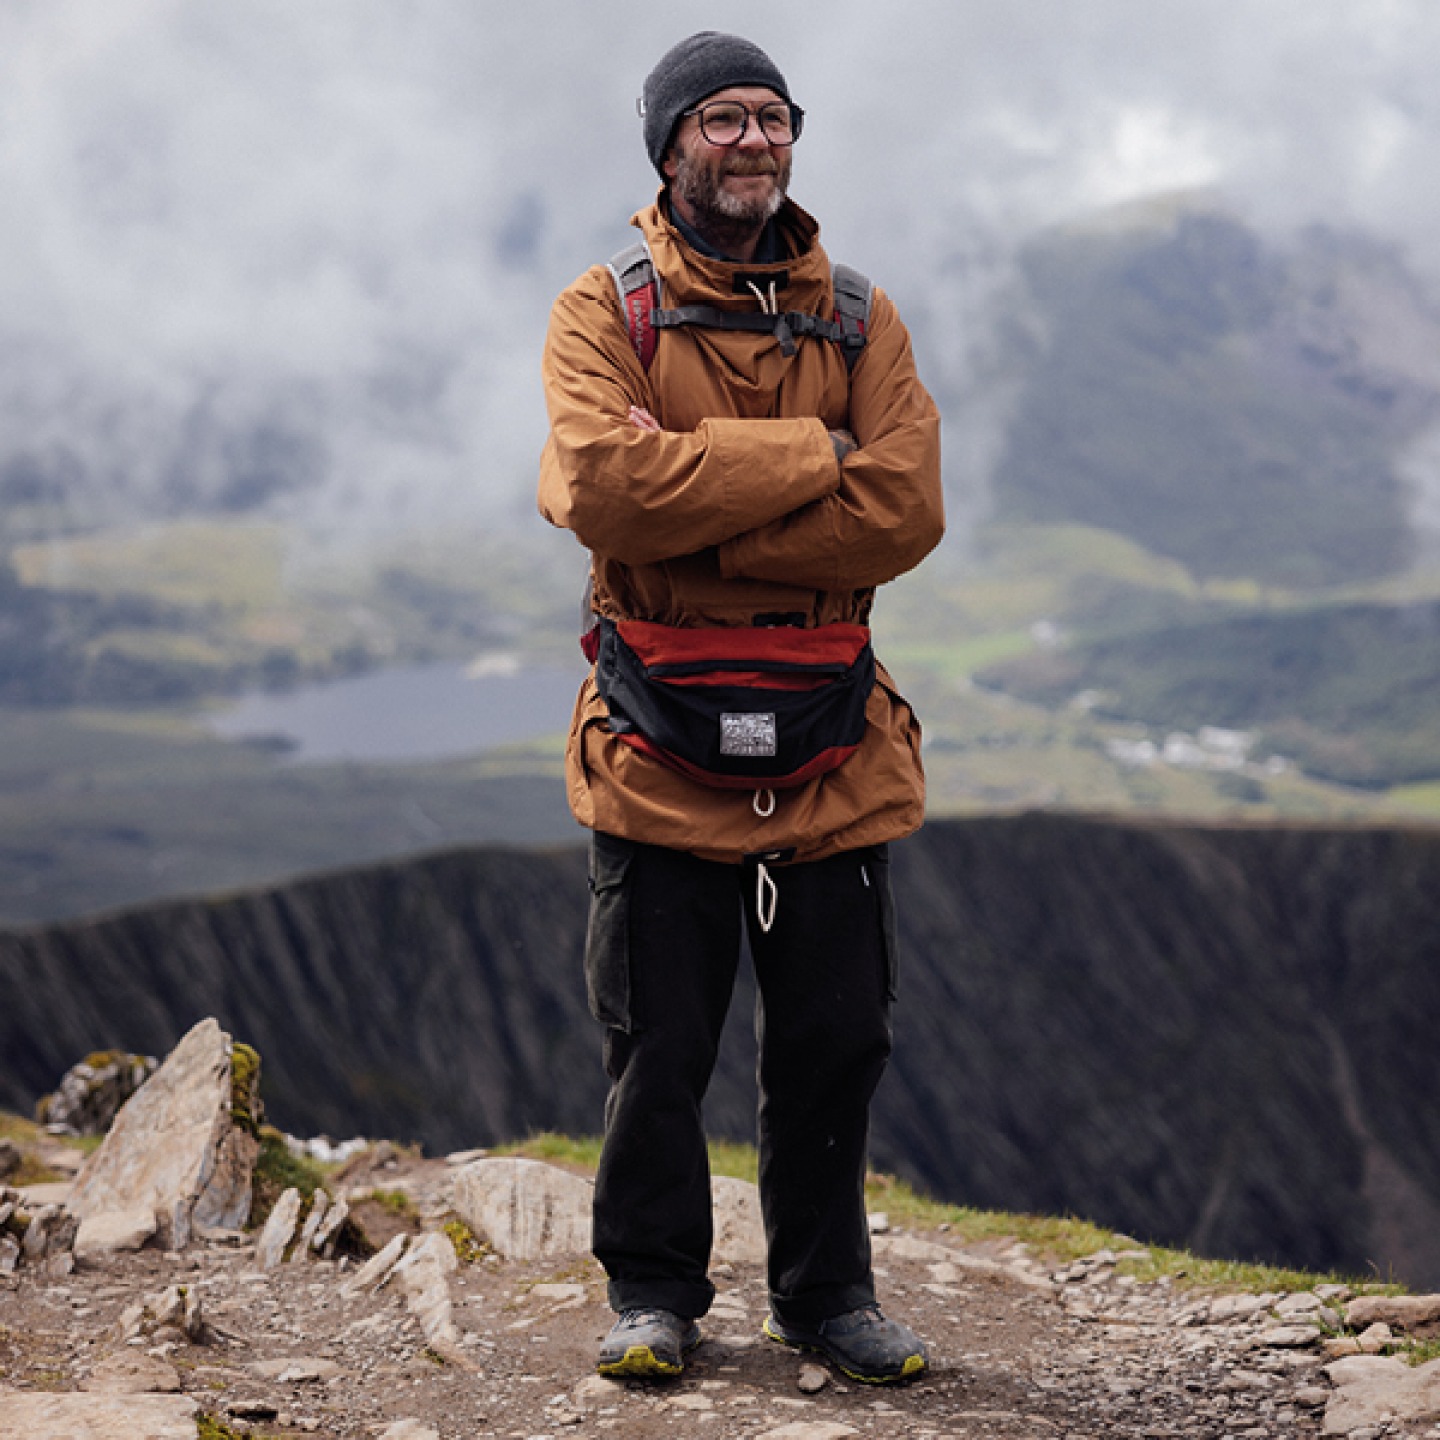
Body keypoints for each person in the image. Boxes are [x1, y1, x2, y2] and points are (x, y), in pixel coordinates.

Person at [538, 31, 944, 1385]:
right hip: (657, 742)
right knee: (660, 1046)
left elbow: (906, 512)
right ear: (670, 146)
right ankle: (652, 1295)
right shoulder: (606, 310)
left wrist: (702, 524)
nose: (756, 139)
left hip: (832, 742)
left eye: (773, 116)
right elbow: (600, 488)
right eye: (723, 119)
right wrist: (806, 460)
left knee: (839, 1038)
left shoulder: (863, 315)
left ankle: (826, 1298)